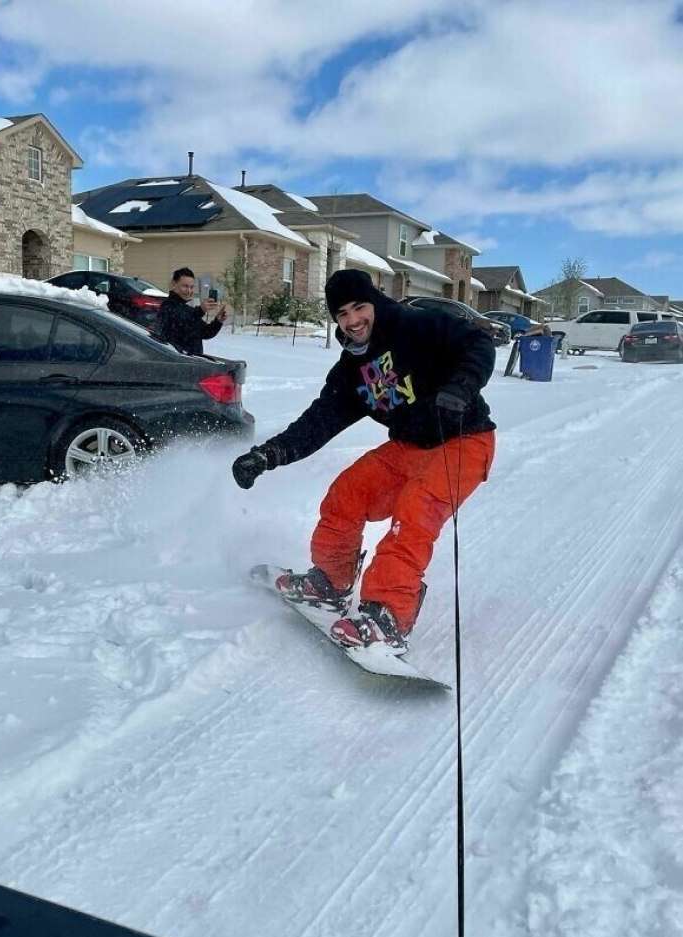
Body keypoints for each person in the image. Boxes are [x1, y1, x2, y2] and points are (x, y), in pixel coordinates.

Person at [231, 269, 496, 651]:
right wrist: (266, 455)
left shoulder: (416, 326)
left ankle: (389, 615)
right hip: (409, 447)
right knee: (347, 494)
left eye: (359, 307)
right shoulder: (352, 371)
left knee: (414, 514)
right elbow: (317, 422)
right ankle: (330, 582)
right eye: (342, 314)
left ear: (374, 302)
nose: (353, 320)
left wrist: (461, 386)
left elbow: (476, 343)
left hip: (463, 440)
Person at [156, 267, 227, 356]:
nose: (189, 291)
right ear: (174, 285)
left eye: (192, 287)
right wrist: (200, 310)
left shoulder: (187, 309)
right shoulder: (167, 306)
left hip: (193, 362)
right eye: (185, 286)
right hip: (178, 363)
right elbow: (180, 325)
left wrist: (218, 321)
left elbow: (204, 332)